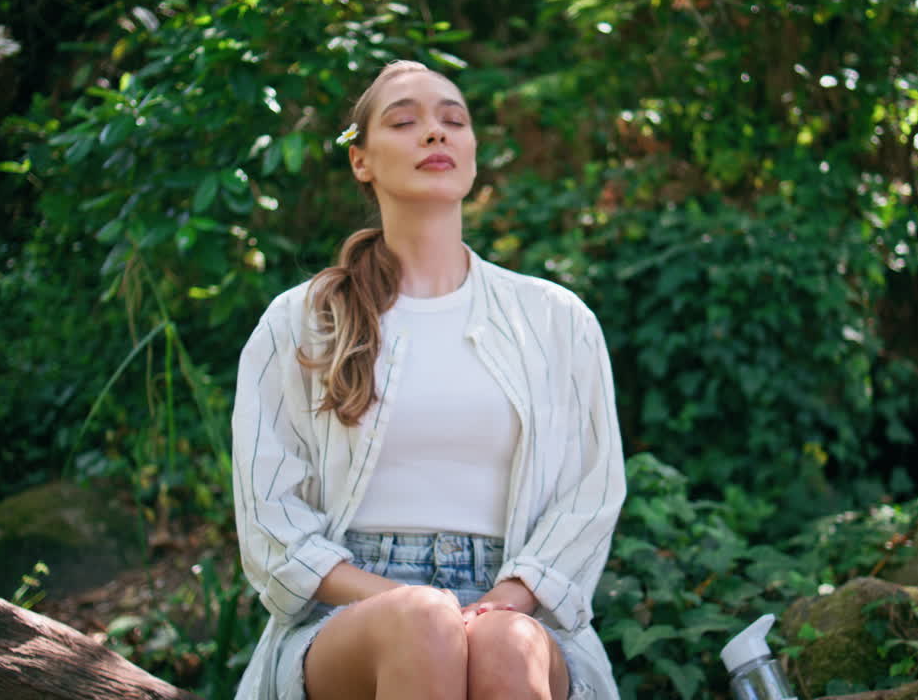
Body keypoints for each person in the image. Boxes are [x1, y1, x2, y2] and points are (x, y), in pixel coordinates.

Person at [231, 59, 626, 700]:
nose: (435, 133)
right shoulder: (302, 322)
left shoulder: (558, 321)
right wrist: (417, 601)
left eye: (453, 120)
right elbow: (270, 521)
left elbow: (591, 495)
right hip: (346, 612)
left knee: (507, 644)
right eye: (405, 121)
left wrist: (504, 599)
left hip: (514, 598)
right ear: (361, 160)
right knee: (421, 624)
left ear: (472, 151)